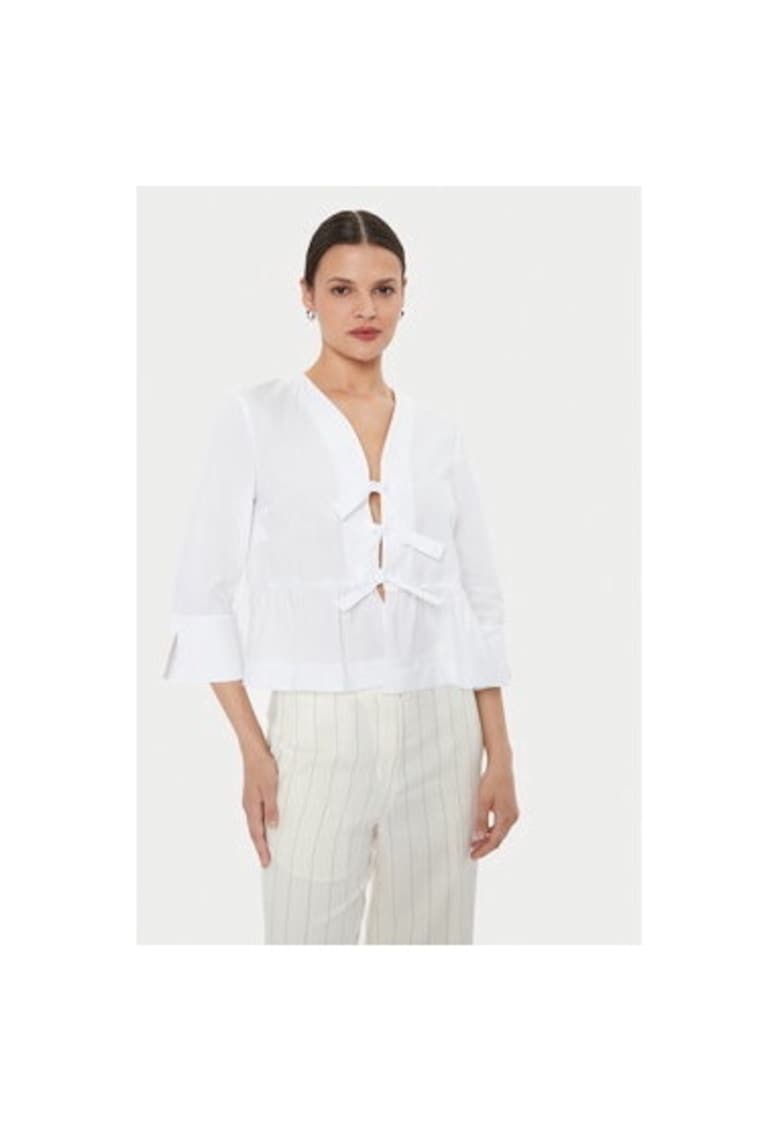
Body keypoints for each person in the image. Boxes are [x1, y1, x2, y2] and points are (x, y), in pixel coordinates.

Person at [162, 208, 520, 944]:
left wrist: (500, 752)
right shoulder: (257, 417)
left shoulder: (439, 434)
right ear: (307, 295)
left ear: (405, 296)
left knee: (430, 953)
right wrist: (254, 749)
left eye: (384, 290)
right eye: (342, 290)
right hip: (315, 731)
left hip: (442, 728)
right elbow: (202, 594)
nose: (366, 310)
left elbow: (477, 598)